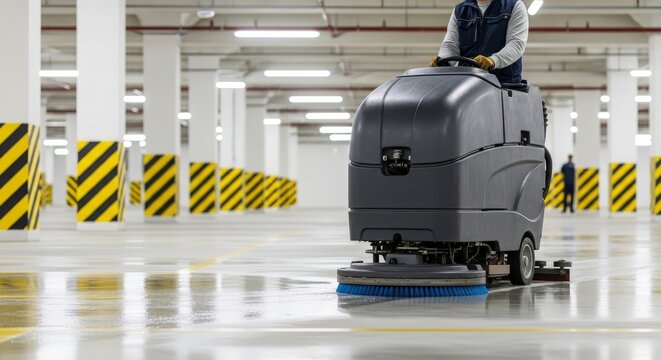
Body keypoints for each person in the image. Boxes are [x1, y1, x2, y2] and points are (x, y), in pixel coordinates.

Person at [429, 0, 529, 84]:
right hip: (467, 84)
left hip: (504, 85)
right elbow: (450, 45)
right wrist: (443, 61)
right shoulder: (459, 11)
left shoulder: (514, 6)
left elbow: (516, 44)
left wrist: (493, 60)